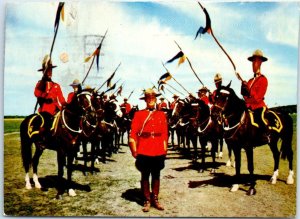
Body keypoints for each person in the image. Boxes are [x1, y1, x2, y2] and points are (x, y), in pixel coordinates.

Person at [129, 88, 168, 212]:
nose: (151, 99)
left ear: (155, 99)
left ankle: (155, 199)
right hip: (144, 148)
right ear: (145, 100)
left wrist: (164, 149)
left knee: (156, 175)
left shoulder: (161, 114)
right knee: (145, 175)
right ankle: (146, 200)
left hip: (157, 149)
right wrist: (134, 150)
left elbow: (165, 134)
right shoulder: (139, 114)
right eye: (148, 98)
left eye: (153, 97)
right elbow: (134, 133)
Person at [240, 49, 269, 142]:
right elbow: (244, 96)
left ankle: (266, 135)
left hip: (258, 106)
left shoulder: (263, 79)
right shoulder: (249, 81)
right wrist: (244, 87)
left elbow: (258, 98)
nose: (253, 63)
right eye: (253, 61)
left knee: (260, 118)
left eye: (256, 61)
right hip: (247, 106)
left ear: (260, 62)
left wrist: (250, 92)